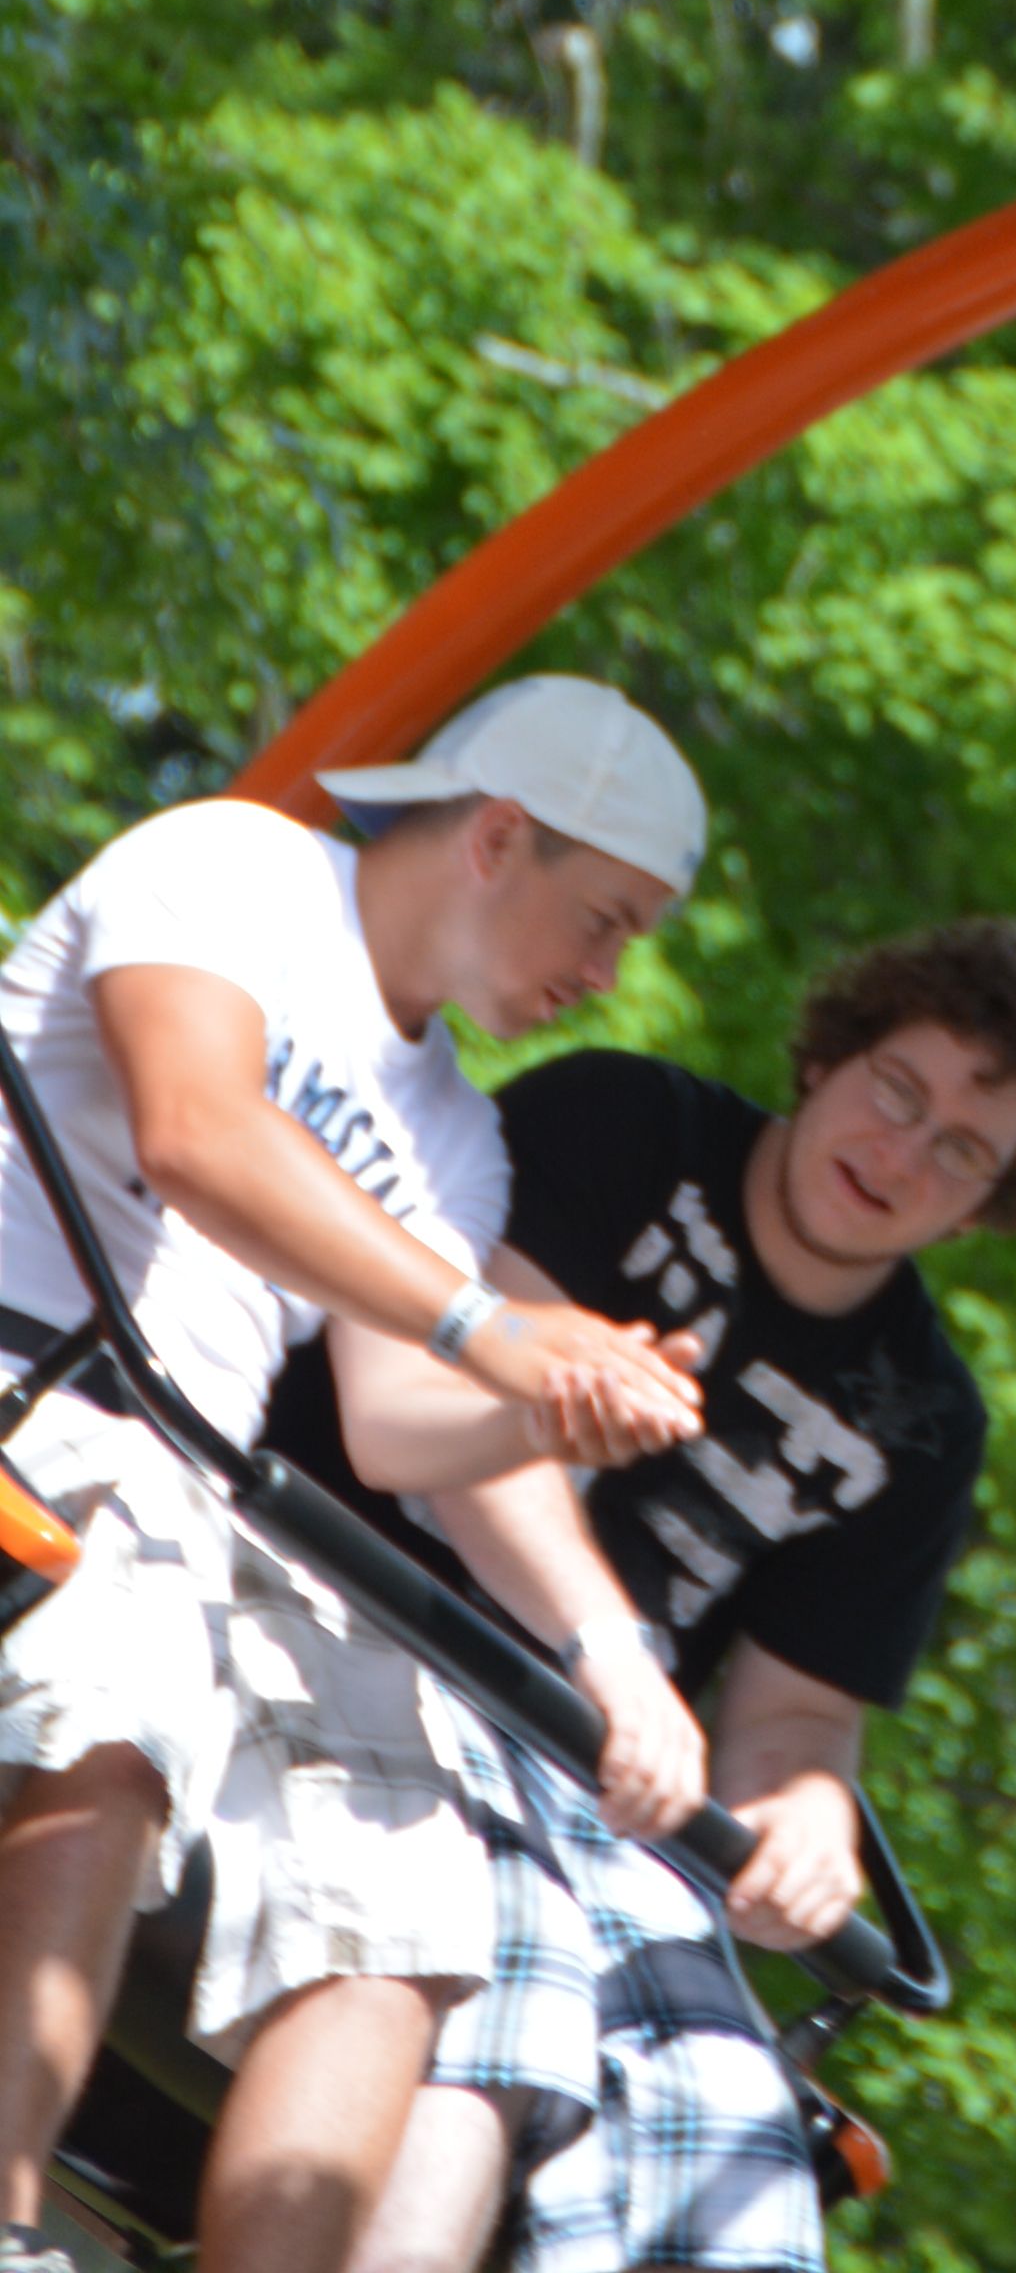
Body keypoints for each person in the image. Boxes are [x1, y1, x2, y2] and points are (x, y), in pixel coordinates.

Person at [0, 679, 716, 2273]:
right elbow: (196, 1131)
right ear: (499, 839)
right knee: (124, 1683)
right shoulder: (237, 867)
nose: (603, 975)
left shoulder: (452, 1135)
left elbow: (404, 1430)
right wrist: (498, 1331)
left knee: (412, 1898)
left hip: (190, 1494)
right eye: (603, 920)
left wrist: (556, 1431)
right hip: (32, 1385)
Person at [280, 915, 1016, 2273]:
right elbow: (445, 1426)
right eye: (897, 1092)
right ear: (831, 1059)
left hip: (598, 1780)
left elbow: (797, 1715)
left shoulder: (923, 1421)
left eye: (960, 1152)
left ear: (984, 1211)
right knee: (522, 1992)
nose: (900, 1154)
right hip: (371, 1612)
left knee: (742, 2131)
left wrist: (804, 1821)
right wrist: (606, 1653)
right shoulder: (622, 1124)